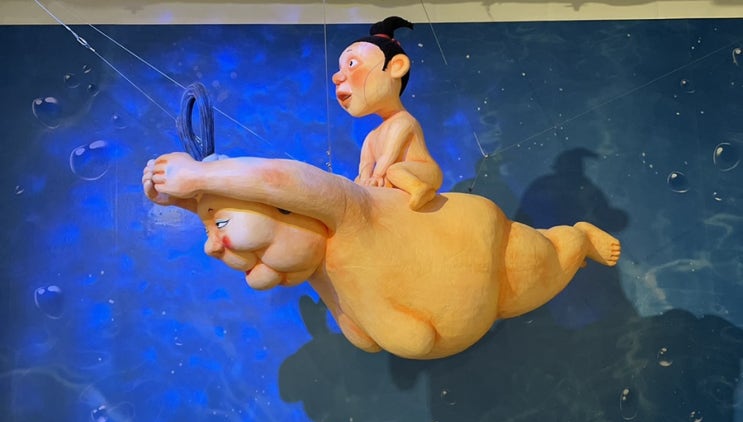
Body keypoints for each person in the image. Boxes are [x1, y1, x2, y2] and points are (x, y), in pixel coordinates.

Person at [142, 152, 621, 360]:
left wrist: (198, 177)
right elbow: (374, 337)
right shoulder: (324, 269)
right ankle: (571, 245)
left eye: (220, 224)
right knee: (536, 283)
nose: (211, 245)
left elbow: (278, 180)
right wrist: (188, 200)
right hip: (489, 300)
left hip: (494, 253)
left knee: (549, 260)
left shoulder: (347, 211)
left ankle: (577, 237)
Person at [333, 16, 442, 210]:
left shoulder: (403, 121)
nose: (337, 77)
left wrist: (377, 176)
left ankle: (419, 188)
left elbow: (389, 155)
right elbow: (366, 164)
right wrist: (364, 178)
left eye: (351, 64)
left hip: (423, 171)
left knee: (393, 171)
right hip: (395, 174)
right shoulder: (372, 136)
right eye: (340, 68)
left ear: (396, 66)